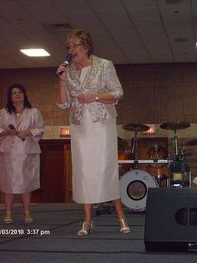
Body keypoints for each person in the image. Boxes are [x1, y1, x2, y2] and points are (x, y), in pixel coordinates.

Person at [56, 28, 130, 236]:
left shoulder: (104, 65)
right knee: (83, 171)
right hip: (80, 127)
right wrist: (62, 81)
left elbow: (118, 93)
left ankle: (120, 217)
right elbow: (63, 105)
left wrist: (95, 97)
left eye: (75, 46)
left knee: (106, 169)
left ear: (86, 47)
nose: (71, 50)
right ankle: (87, 221)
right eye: (68, 47)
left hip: (102, 125)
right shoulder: (68, 71)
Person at [0, 84, 44, 224]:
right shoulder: (3, 112)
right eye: (14, 93)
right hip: (8, 152)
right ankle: (8, 212)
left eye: (20, 92)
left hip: (27, 152)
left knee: (25, 183)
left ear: (24, 94)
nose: (17, 94)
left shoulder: (34, 112)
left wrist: (27, 132)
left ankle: (27, 213)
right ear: (10, 96)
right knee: (8, 183)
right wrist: (6, 131)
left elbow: (40, 128)